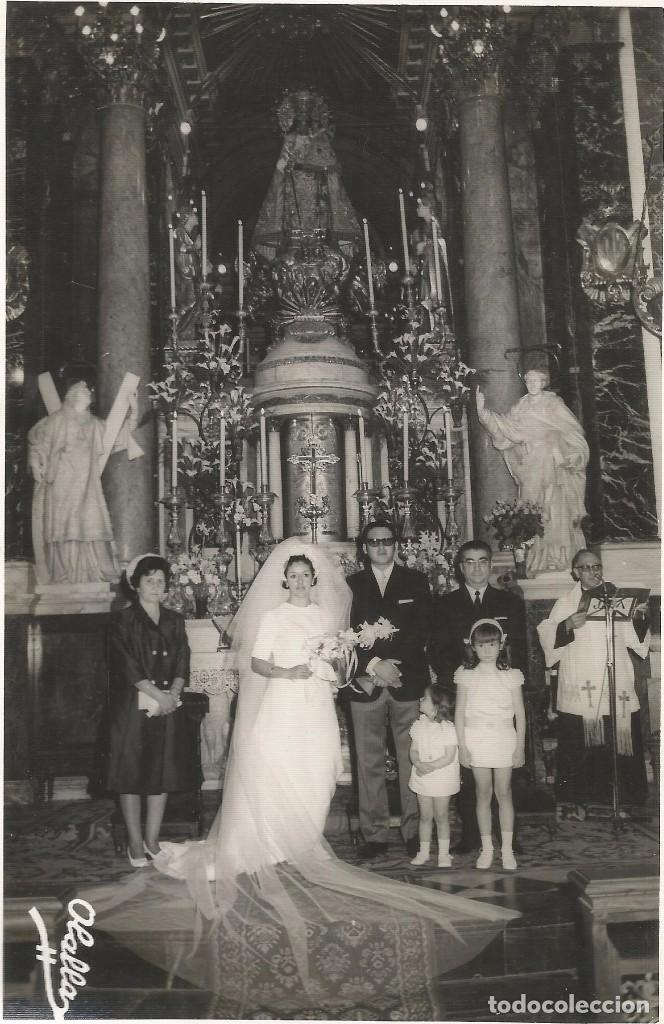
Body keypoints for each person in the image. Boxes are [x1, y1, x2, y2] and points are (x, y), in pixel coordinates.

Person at [83, 537, 518, 1017]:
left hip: (315, 705)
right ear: (283, 579)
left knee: (316, 772)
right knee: (278, 769)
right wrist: (287, 671)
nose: (299, 581)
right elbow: (256, 662)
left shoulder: (328, 619)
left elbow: (343, 661)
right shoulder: (271, 617)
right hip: (282, 700)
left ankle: (300, 839)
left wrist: (334, 666)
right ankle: (271, 842)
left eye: (305, 575)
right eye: (291, 576)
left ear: (314, 579)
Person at [429, 539, 527, 854]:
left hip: (501, 697)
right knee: (470, 770)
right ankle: (472, 834)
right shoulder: (445, 604)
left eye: (482, 561)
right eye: (469, 562)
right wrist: (462, 679)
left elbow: (521, 649)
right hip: (465, 694)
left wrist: (504, 678)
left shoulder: (509, 602)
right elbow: (439, 651)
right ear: (460, 568)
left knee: (507, 773)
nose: (476, 568)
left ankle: (510, 834)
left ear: (491, 565)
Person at [537, 549, 650, 815]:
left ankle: (626, 800)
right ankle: (578, 800)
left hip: (615, 682)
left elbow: (636, 640)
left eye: (596, 566)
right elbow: (546, 632)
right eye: (585, 567)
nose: (593, 571)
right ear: (575, 572)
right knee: (581, 742)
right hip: (582, 684)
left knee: (620, 738)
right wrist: (566, 626)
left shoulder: (619, 598)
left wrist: (641, 617)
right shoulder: (566, 602)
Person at [346, 518, 433, 860]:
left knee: (412, 758)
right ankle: (375, 833)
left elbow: (422, 629)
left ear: (395, 544)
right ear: (364, 548)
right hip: (365, 683)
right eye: (373, 542)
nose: (381, 547)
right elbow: (345, 632)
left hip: (406, 681)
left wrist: (390, 664)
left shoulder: (416, 581)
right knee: (368, 762)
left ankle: (414, 830)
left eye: (387, 541)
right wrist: (372, 666)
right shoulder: (350, 585)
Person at [107, 553, 198, 867]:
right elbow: (125, 664)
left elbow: (182, 658)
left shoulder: (174, 619)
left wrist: (173, 693)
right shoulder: (123, 620)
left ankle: (152, 840)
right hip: (133, 707)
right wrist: (156, 694)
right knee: (130, 774)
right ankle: (135, 843)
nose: (156, 586)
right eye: (150, 581)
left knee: (162, 771)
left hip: (167, 706)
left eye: (161, 581)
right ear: (136, 585)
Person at [476, 367, 589, 575]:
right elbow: (504, 429)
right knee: (531, 513)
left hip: (553, 468)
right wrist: (484, 414)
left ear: (543, 382)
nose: (532, 384)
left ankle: (559, 558)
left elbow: (574, 433)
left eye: (536, 381)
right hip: (530, 468)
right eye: (528, 381)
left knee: (554, 512)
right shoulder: (521, 406)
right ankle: (536, 559)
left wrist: (572, 455)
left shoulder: (553, 404)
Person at [28, 380, 121, 584]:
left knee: (90, 522)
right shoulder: (56, 421)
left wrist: (132, 414)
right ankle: (64, 573)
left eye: (89, 390)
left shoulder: (95, 423)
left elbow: (118, 437)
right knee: (64, 525)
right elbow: (37, 444)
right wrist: (36, 464)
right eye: (85, 390)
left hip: (87, 485)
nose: (89, 393)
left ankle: (92, 570)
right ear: (74, 395)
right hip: (62, 483)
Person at [454, 619, 526, 871]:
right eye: (481, 645)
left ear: (501, 645)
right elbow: (460, 713)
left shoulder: (511, 675)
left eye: (492, 644)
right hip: (476, 739)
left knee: (503, 793)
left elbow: (520, 714)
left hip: (504, 738)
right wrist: (461, 746)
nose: (487, 650)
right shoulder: (466, 675)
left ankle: (507, 849)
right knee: (482, 794)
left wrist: (520, 747)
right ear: (472, 647)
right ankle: (487, 849)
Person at [408, 685, 460, 868]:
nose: (420, 700)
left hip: (441, 776)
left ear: (436, 705)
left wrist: (429, 766)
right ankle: (423, 852)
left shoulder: (448, 728)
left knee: (442, 816)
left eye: (424, 698)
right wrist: (417, 763)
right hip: (423, 776)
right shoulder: (419, 725)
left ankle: (444, 854)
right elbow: (413, 750)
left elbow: (449, 756)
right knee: (425, 816)